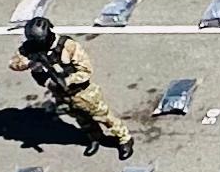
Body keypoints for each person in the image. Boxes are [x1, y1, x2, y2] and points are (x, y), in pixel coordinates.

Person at [12, 15, 132, 157]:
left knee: (103, 117)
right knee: (82, 120)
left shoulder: (68, 46)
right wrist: (30, 64)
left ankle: (124, 139)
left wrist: (67, 81)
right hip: (61, 94)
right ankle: (95, 138)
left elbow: (86, 71)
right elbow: (14, 63)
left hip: (82, 92)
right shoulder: (31, 47)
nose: (36, 44)